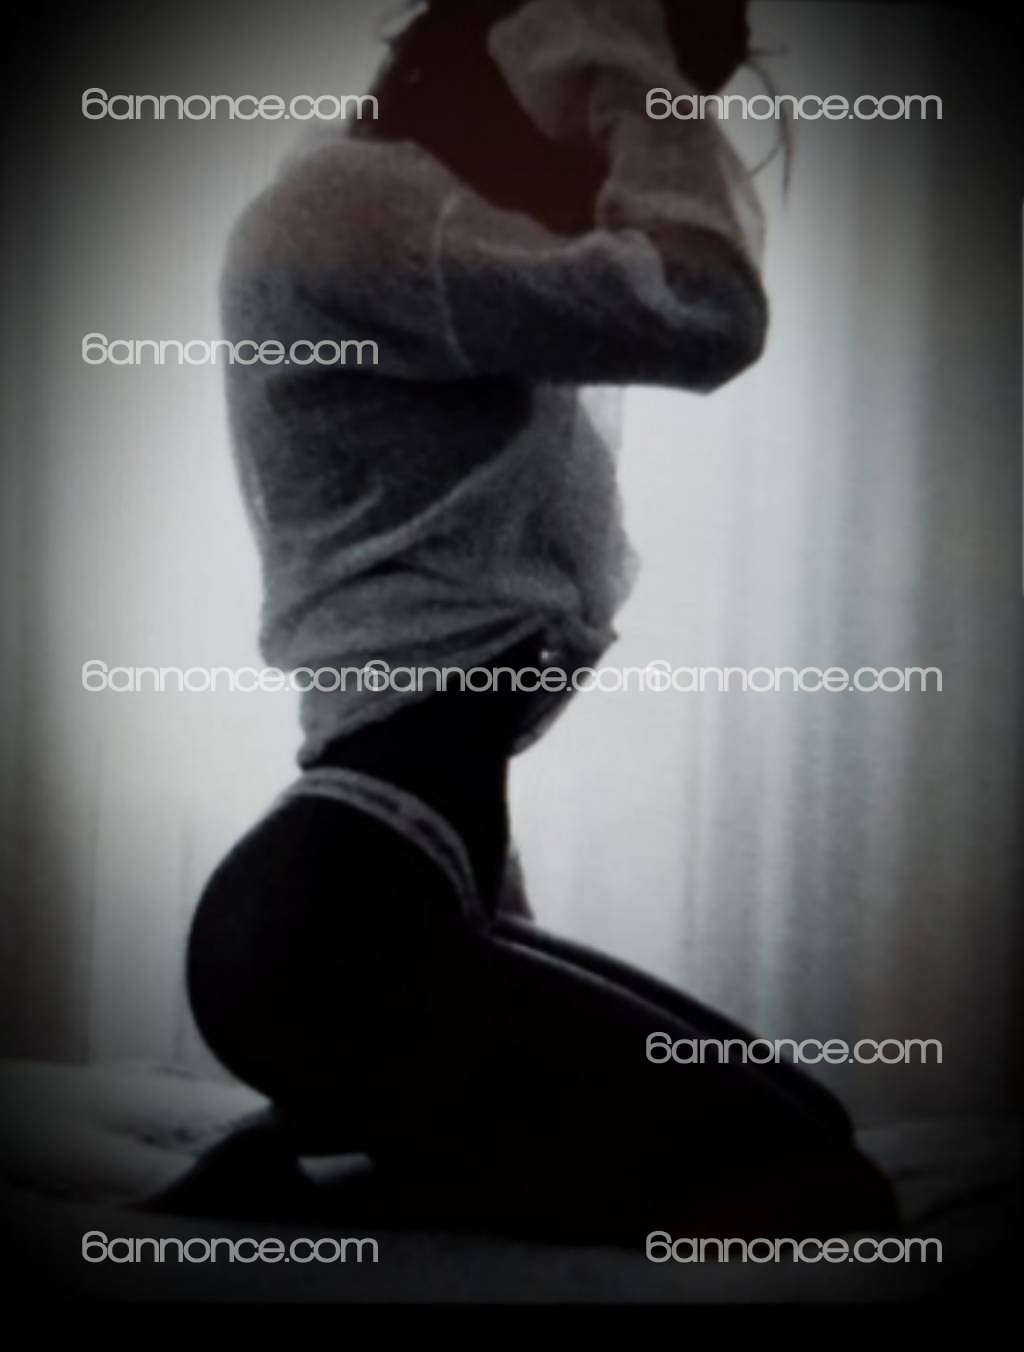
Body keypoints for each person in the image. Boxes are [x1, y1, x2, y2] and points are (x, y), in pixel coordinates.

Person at [169, 0, 898, 1242]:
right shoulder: (350, 210)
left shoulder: (426, 235)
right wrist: (617, 50)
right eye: (615, 94)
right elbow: (706, 307)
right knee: (825, 1189)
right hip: (320, 919)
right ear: (543, 49)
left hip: (390, 898)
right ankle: (314, 1175)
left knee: (805, 1126)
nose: (623, 148)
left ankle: (316, 1168)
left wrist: (506, 987)